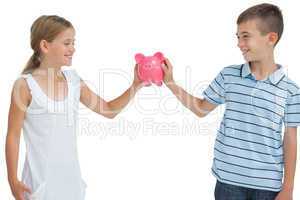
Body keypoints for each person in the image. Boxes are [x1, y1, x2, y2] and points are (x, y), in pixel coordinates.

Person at [162, 3, 299, 200]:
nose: (239, 43)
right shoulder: (229, 76)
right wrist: (170, 83)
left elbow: (291, 139)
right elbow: (201, 109)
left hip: (268, 186)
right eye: (238, 37)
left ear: (271, 38)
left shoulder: (291, 91)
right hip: (228, 183)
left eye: (245, 36)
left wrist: (288, 188)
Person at [5, 15, 142, 200]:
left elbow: (109, 110)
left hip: (71, 186)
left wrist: (136, 84)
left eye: (73, 43)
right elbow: (13, 135)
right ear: (45, 46)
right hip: (38, 187)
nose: (73, 48)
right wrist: (13, 180)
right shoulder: (25, 86)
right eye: (67, 43)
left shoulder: (74, 81)